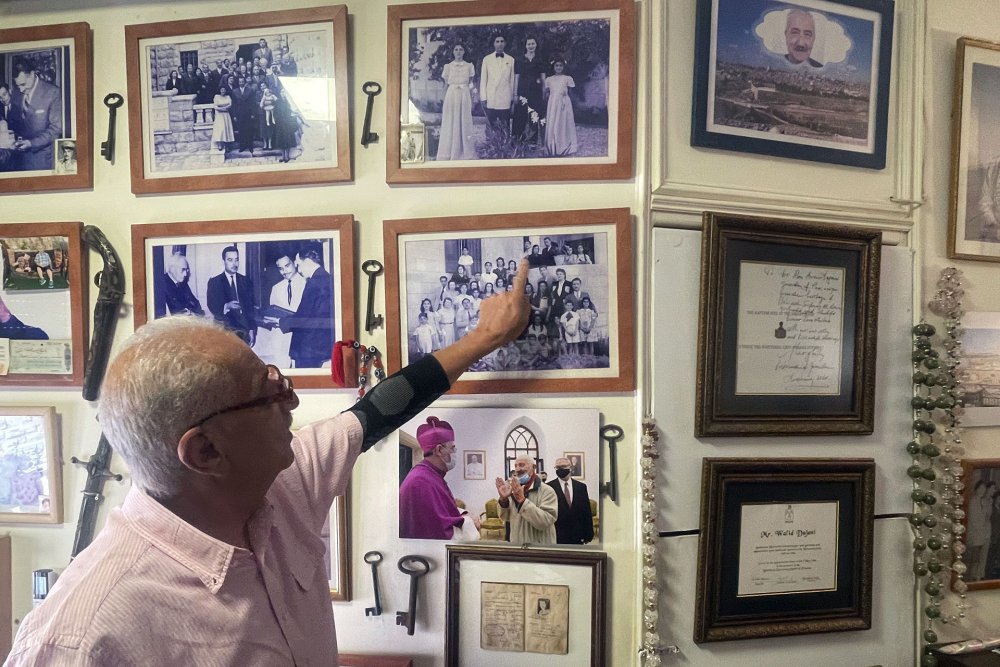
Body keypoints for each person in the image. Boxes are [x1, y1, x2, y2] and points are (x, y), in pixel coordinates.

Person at [5, 262, 529, 665]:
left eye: (279, 381)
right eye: (269, 395)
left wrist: (485, 338)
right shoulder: (82, 639)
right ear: (206, 451)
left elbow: (375, 412)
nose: (294, 404)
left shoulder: (283, 480)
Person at [399, 417, 481, 540]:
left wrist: (464, 514)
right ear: (439, 450)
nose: (455, 452)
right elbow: (441, 534)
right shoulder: (421, 482)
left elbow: (439, 511)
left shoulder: (431, 474)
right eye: (452, 448)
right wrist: (470, 522)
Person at [276, 242, 333, 368]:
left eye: (299, 265)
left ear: (307, 261)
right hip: (321, 345)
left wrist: (280, 322)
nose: (299, 270)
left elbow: (303, 317)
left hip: (309, 347)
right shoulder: (327, 278)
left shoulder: (314, 282)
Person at [11, 59, 62, 171]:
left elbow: (56, 129)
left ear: (33, 74)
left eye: (23, 84)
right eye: (17, 85)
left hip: (42, 160)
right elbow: (15, 122)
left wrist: (31, 143)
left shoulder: (52, 93)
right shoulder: (16, 92)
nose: (21, 89)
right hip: (19, 160)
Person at [495, 454, 557, 545]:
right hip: (517, 545)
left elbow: (545, 521)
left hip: (540, 547)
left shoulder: (547, 491)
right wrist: (503, 500)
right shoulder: (513, 489)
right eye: (516, 466)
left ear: (534, 467)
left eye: (522, 465)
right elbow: (505, 517)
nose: (517, 469)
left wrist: (522, 501)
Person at [262, 254, 306, 368]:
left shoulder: (307, 284)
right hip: (281, 337)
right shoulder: (276, 288)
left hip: (300, 336)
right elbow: (273, 311)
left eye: (287, 266)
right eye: (280, 268)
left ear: (294, 263)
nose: (284, 271)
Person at [206, 245, 256, 346]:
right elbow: (212, 306)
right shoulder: (214, 282)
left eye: (236, 260)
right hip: (224, 331)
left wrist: (252, 330)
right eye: (230, 260)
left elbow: (251, 309)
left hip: (243, 332)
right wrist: (226, 306)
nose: (234, 263)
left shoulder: (246, 281)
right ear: (223, 261)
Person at [436, 44, 476, 161]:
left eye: (461, 49)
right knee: (450, 121)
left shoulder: (469, 66)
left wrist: (473, 98)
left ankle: (464, 151)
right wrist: (444, 100)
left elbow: (471, 84)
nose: (458, 52)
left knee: (464, 121)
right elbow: (445, 85)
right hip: (452, 95)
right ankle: (448, 152)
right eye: (456, 49)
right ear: (453, 52)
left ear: (464, 52)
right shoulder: (448, 67)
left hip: (464, 94)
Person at [548, 457, 594, 545]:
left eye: (563, 466)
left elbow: (586, 511)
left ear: (570, 468)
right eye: (558, 467)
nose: (560, 469)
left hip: (577, 534)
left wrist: (589, 534)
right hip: (557, 534)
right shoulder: (549, 487)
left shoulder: (581, 487)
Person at [479, 35, 516, 133]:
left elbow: (512, 79)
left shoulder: (511, 60)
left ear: (505, 43)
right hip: (491, 97)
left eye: (502, 41)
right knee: (491, 126)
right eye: (497, 41)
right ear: (494, 43)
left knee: (505, 126)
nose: (500, 44)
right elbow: (483, 79)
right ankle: (490, 147)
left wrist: (512, 97)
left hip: (505, 97)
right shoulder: (487, 59)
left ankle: (505, 147)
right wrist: (483, 97)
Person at [513, 37, 546, 141]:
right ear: (525, 46)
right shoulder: (519, 60)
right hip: (522, 92)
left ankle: (532, 141)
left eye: (533, 43)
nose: (531, 46)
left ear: (536, 45)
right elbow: (516, 77)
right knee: (520, 115)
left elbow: (543, 78)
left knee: (534, 116)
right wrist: (515, 94)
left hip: (536, 93)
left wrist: (544, 92)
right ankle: (518, 141)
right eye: (529, 44)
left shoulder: (540, 60)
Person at [544, 60, 577, 156]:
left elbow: (571, 92)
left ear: (564, 67)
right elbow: (546, 93)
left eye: (560, 66)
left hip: (564, 102)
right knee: (553, 121)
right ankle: (552, 145)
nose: (558, 68)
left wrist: (565, 99)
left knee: (564, 122)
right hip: (553, 103)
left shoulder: (567, 78)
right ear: (553, 67)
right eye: (556, 66)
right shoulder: (549, 79)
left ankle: (565, 145)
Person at [968, 479, 994, 580]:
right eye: (981, 488)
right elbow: (975, 520)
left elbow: (986, 517)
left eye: (984, 488)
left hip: (982, 533)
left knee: (978, 559)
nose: (982, 490)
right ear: (977, 488)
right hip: (975, 533)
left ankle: (977, 578)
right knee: (974, 559)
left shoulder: (983, 501)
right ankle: (971, 578)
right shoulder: (974, 500)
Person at [211, 86, 235, 151]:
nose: (223, 91)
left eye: (224, 90)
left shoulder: (228, 97)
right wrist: (223, 109)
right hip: (219, 116)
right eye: (222, 90)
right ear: (220, 90)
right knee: (220, 130)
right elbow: (215, 106)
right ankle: (220, 145)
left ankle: (226, 145)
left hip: (226, 115)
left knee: (226, 129)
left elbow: (230, 105)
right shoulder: (216, 97)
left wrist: (222, 107)